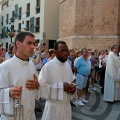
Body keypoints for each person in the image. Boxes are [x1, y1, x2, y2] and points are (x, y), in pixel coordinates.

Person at [0, 31, 41, 120]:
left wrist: (37, 86)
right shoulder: (4, 67)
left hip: (30, 116)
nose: (33, 47)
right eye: (29, 43)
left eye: (34, 44)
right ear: (18, 43)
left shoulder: (32, 65)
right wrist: (8, 92)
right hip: (12, 117)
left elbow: (36, 93)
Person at [38, 41, 76, 120]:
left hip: (66, 107)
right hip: (53, 108)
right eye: (62, 51)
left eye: (66, 50)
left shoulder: (68, 65)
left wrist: (72, 88)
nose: (65, 53)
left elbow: (72, 82)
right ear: (55, 52)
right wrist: (61, 87)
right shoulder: (48, 66)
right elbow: (41, 88)